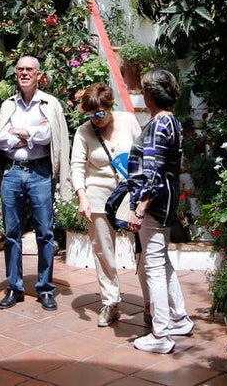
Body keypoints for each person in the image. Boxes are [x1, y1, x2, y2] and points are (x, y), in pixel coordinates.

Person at [0, 54, 72, 310]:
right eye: (20, 69)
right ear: (17, 74)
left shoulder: (50, 103)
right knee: (11, 234)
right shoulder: (7, 106)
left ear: (38, 75)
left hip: (40, 173)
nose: (24, 73)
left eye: (29, 70)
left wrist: (20, 133)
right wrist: (32, 134)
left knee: (45, 234)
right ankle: (15, 288)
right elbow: (1, 140)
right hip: (12, 172)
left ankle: (45, 288)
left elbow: (50, 137)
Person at [126, 69, 194, 353]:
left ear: (151, 94)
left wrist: (140, 209)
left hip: (155, 201)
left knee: (153, 265)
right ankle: (179, 318)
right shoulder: (173, 121)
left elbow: (152, 172)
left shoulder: (158, 123)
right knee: (161, 259)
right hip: (169, 196)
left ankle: (161, 334)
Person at [69, 82, 144, 327]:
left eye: (100, 113)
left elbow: (144, 155)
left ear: (110, 107)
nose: (96, 119)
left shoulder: (128, 121)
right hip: (98, 196)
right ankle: (110, 301)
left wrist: (144, 194)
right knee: (103, 250)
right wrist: (81, 196)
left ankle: (152, 302)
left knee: (142, 247)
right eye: (90, 115)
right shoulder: (83, 132)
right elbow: (77, 166)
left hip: (129, 196)